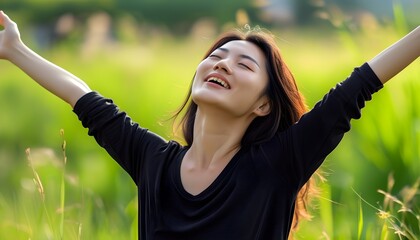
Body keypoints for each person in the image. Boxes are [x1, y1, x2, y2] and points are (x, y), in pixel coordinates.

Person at [0, 10, 418, 240]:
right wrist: (16, 50)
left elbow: (355, 90)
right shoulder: (154, 161)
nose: (222, 63)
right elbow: (85, 99)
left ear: (262, 105)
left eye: (244, 63)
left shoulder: (276, 166)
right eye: (218, 55)